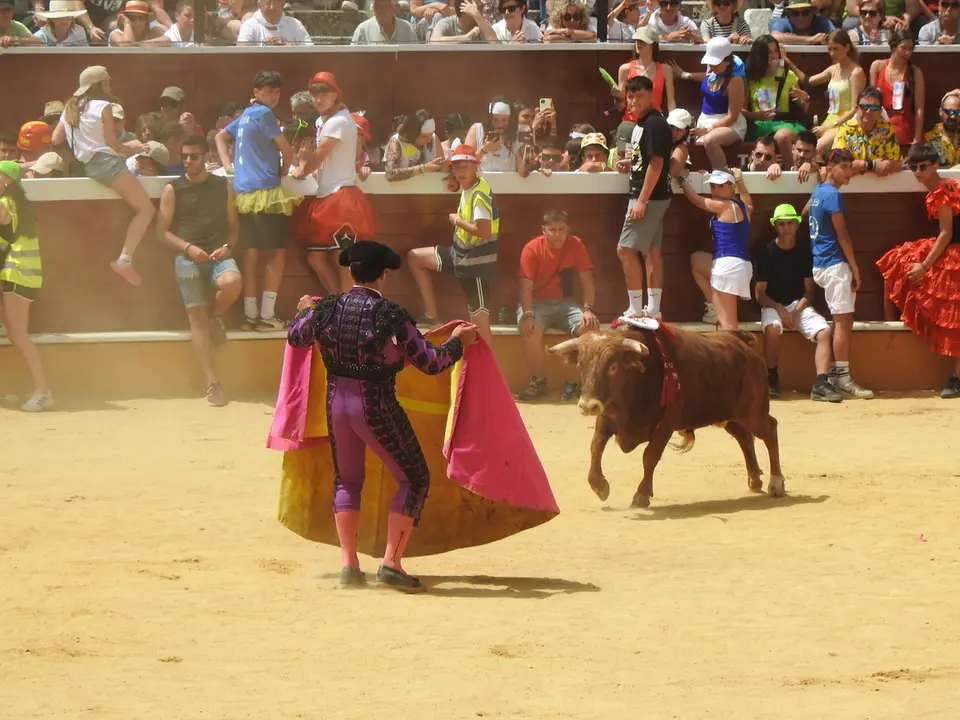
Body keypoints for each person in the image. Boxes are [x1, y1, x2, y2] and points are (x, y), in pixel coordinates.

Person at [288, 241, 478, 591]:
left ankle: (349, 566)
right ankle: (391, 562)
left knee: (347, 480)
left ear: (351, 272)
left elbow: (295, 338)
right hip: (375, 406)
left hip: (337, 405)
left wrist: (304, 310)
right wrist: (457, 342)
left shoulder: (326, 308)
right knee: (415, 478)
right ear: (384, 275)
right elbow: (431, 363)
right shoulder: (391, 315)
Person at [156, 135, 242, 407]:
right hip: (188, 258)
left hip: (218, 255)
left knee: (232, 281)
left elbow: (234, 226)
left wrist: (228, 246)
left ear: (206, 157)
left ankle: (215, 315)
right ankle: (212, 381)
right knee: (196, 317)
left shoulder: (222, 186)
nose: (188, 161)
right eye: (184, 156)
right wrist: (188, 248)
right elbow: (161, 233)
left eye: (193, 156)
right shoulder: (173, 188)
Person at [51, 65, 154, 287]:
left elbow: (56, 139)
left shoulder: (69, 108)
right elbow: (114, 146)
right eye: (106, 82)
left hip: (88, 166)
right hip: (107, 164)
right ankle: (124, 260)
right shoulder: (104, 107)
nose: (109, 85)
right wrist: (135, 147)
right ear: (100, 85)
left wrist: (79, 149)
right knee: (147, 209)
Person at [216, 70, 298, 331]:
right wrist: (284, 170)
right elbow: (286, 149)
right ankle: (266, 315)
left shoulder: (244, 116)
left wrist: (229, 165)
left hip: (243, 193)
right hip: (266, 191)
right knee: (277, 254)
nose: (273, 95)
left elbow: (219, 136)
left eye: (276, 91)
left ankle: (250, 316)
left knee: (250, 256)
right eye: (268, 91)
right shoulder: (264, 114)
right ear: (256, 93)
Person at [876, 143, 960, 398]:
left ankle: (956, 378)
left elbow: (946, 233)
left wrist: (924, 266)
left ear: (935, 165)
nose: (918, 172)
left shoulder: (942, 190)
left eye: (923, 167)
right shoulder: (944, 187)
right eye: (914, 168)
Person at [289, 72, 377, 295]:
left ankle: (347, 310)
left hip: (342, 196)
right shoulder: (322, 120)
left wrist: (302, 167)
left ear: (336, 95)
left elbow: (318, 155)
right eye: (314, 93)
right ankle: (339, 303)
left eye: (324, 93)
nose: (318, 98)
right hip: (326, 195)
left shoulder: (338, 120)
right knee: (316, 256)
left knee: (343, 260)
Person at [407, 145, 498, 345]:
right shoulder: (469, 186)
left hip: (476, 264)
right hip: (460, 255)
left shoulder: (480, 194)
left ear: (475, 166)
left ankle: (489, 372)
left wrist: (457, 221)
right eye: (457, 168)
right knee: (415, 257)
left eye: (465, 167)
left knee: (480, 323)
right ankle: (431, 314)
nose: (460, 172)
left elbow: (484, 231)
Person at [803, 148, 874, 398]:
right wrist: (854, 267)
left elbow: (804, 214)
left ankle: (835, 375)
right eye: (844, 167)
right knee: (843, 321)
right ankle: (842, 377)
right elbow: (842, 235)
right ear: (832, 167)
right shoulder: (831, 194)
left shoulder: (819, 192)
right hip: (834, 263)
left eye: (850, 167)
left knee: (840, 320)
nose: (849, 173)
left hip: (819, 263)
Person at [755, 203, 843, 402]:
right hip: (772, 305)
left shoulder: (804, 251)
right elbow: (759, 294)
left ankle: (821, 383)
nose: (786, 228)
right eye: (782, 224)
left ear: (796, 225)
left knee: (824, 331)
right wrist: (779, 308)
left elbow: (809, 292)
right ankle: (771, 377)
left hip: (798, 306)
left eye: (790, 223)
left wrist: (795, 311)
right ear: (775, 226)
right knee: (771, 329)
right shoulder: (767, 252)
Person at [515, 210, 599, 402]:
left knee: (590, 328)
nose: (557, 234)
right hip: (536, 303)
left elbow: (587, 280)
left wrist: (587, 309)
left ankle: (588, 383)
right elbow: (525, 287)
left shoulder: (576, 244)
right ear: (543, 230)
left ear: (568, 229)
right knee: (531, 330)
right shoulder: (532, 248)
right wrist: (528, 315)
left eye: (561, 229)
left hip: (565, 304)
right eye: (552, 230)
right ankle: (538, 381)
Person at [615, 75, 672, 320]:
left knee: (625, 250)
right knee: (652, 251)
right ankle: (654, 310)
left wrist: (641, 201)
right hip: (654, 196)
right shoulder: (643, 124)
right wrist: (632, 163)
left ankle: (636, 310)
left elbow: (658, 164)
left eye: (640, 96)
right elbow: (649, 159)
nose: (634, 101)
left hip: (647, 197)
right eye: (631, 96)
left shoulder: (654, 124)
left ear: (652, 95)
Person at [0, 161, 50, 412]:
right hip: (19, 275)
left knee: (18, 334)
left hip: (19, 275)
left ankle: (43, 390)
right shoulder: (17, 203)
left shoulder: (7, 203)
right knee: (13, 333)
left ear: (7, 180)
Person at [677, 168, 753, 330]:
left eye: (720, 186)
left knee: (728, 325)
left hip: (727, 266)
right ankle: (712, 306)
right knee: (697, 261)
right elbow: (749, 203)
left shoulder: (722, 205)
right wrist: (740, 181)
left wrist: (683, 180)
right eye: (713, 186)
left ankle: (736, 354)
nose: (715, 190)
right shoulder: (743, 207)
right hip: (739, 265)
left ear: (731, 187)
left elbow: (696, 199)